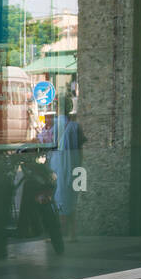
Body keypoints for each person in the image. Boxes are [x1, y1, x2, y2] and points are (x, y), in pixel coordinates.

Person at [48, 95, 84, 241]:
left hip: (60, 164)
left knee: (60, 197)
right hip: (75, 164)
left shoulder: (56, 124)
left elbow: (49, 143)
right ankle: (73, 233)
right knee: (73, 197)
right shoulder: (76, 126)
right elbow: (81, 147)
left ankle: (61, 233)